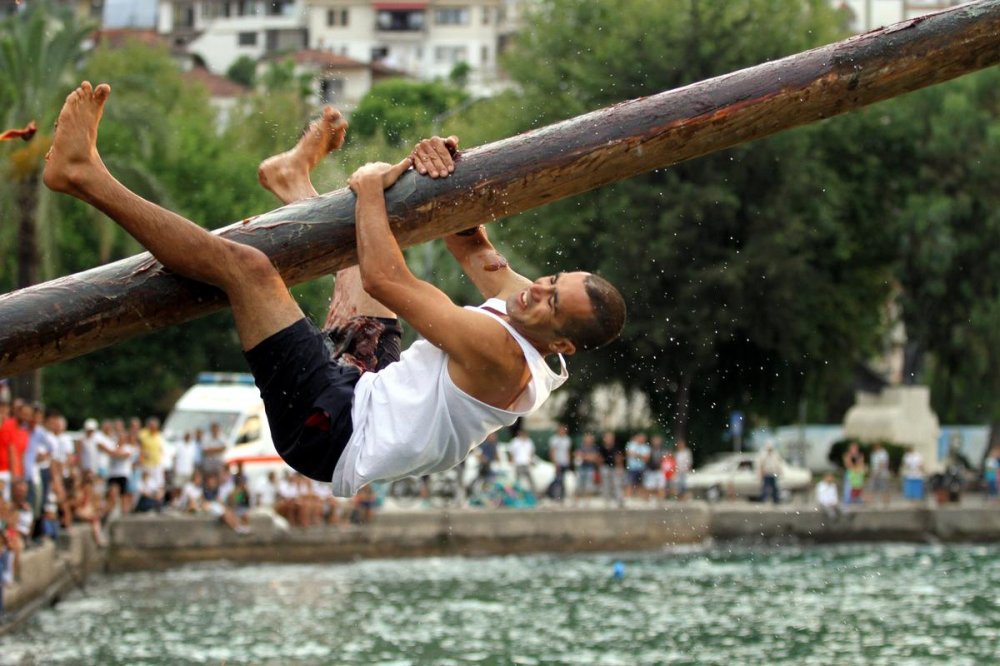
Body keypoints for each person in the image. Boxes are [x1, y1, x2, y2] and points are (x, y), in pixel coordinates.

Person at [44, 82, 625, 498]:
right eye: (551, 281)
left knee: (249, 269)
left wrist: (371, 188)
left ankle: (83, 176)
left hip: (331, 433)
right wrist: (441, 160)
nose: (534, 292)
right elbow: (471, 246)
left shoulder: (501, 355)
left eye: (551, 302)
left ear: (563, 346)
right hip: (370, 390)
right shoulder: (528, 314)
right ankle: (290, 179)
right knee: (368, 242)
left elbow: (387, 279)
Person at [546, 424, 572, 501]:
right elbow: (552, 452)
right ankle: (556, 496)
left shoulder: (567, 439)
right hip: (558, 462)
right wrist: (555, 462)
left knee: (562, 480)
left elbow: (567, 451)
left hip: (564, 462)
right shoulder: (554, 439)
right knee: (558, 480)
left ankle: (562, 496)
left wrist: (568, 461)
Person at [508, 430, 537, 495]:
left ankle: (534, 494)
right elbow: (511, 452)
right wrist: (512, 460)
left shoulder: (529, 442)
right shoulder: (515, 441)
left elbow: (531, 452)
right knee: (518, 480)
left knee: (530, 480)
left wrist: (530, 460)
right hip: (518, 463)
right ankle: (516, 494)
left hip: (526, 463)